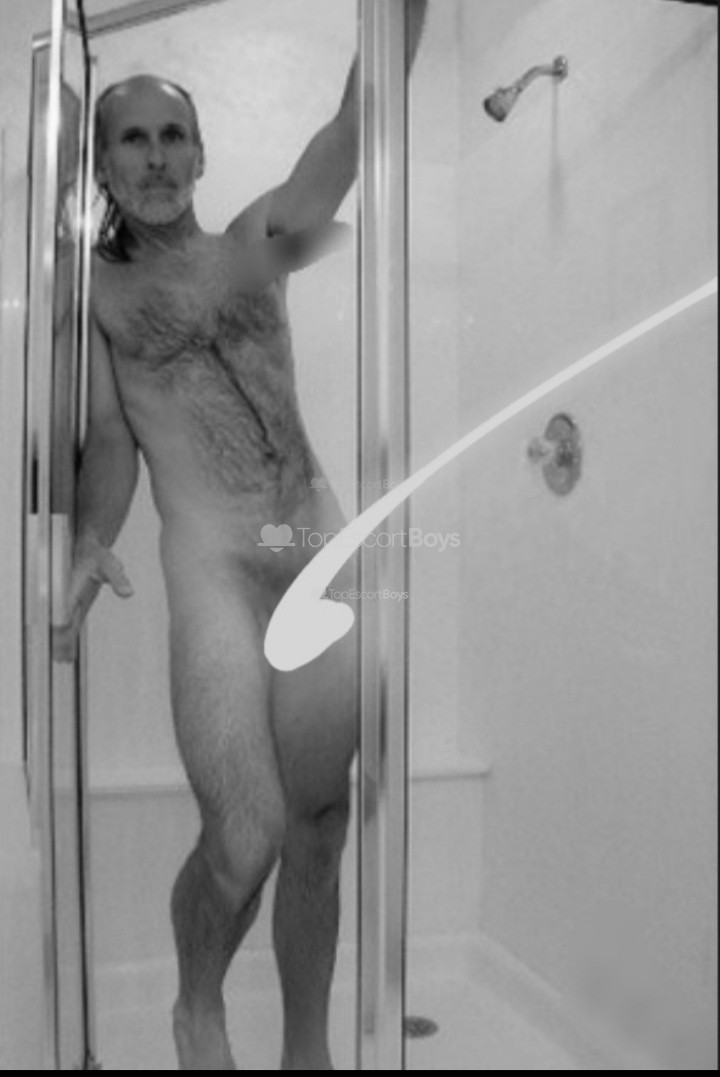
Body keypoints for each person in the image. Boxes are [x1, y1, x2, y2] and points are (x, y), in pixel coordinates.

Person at [54, 3, 427, 1070]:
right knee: (244, 836)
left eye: (174, 135)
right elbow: (111, 442)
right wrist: (89, 539)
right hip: (214, 569)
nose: (156, 157)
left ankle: (307, 1049)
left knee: (320, 823)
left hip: (315, 550)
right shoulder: (99, 297)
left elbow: (354, 130)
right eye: (132, 139)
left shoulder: (259, 242)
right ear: (104, 166)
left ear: (202, 155)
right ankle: (196, 1006)